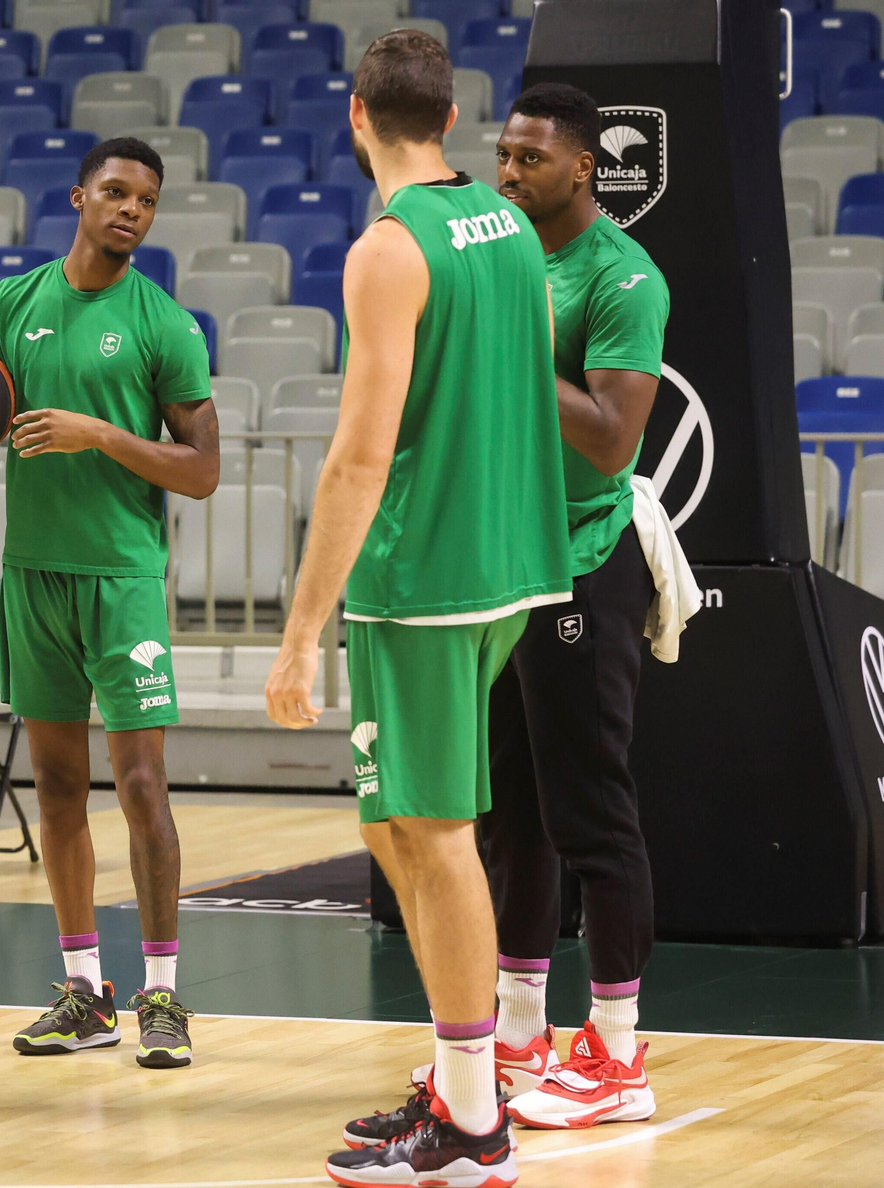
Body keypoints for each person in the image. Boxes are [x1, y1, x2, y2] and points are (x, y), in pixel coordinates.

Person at [263, 31, 571, 1188]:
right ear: (448, 117)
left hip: (424, 578)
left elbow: (357, 458)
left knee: (434, 837)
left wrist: (300, 631)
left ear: (355, 118)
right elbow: (526, 367)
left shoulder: (390, 249)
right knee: (396, 824)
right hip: (504, 564)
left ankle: (473, 1121)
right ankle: (457, 1081)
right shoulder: (507, 228)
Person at [0, 137, 218, 1070]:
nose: (130, 212)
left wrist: (100, 435)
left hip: (122, 580)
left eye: (146, 202)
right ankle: (84, 990)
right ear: (79, 196)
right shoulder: (9, 305)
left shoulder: (166, 325)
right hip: (32, 576)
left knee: (143, 786)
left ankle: (161, 992)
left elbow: (202, 471)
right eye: (115, 193)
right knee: (60, 790)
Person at [477, 81, 670, 1130]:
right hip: (506, 560)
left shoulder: (621, 277)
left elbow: (606, 436)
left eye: (529, 159)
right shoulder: (507, 258)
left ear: (583, 166)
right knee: (513, 814)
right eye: (502, 155)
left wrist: (504, 347)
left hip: (586, 560)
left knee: (590, 809)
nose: (507, 173)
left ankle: (618, 1055)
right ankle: (516, 1033)